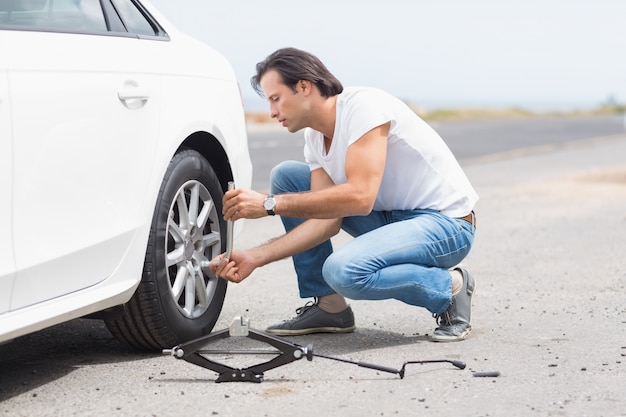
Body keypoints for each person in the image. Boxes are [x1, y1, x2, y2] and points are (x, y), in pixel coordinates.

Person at [210, 47, 479, 342]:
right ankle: (330, 306)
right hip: (392, 220)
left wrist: (269, 204)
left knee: (344, 271)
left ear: (303, 87)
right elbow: (325, 222)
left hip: (447, 225)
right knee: (287, 176)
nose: (272, 112)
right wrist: (253, 257)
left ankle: (450, 287)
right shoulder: (314, 138)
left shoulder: (364, 108)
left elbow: (361, 197)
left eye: (276, 99)